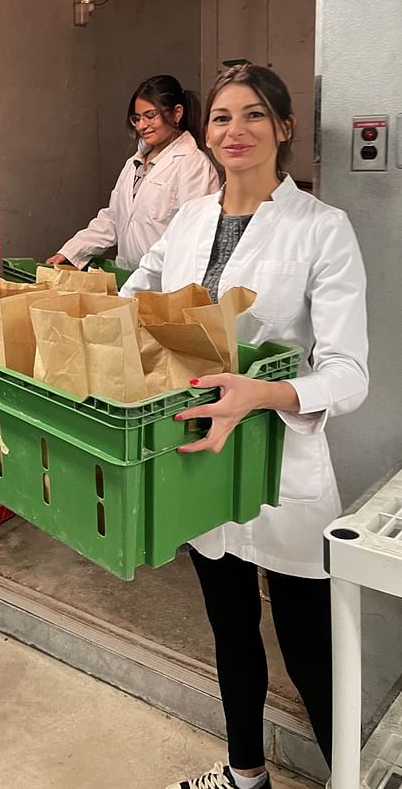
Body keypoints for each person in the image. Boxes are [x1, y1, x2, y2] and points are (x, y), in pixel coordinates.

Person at [119, 65, 368, 789]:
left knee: (308, 647)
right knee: (229, 630)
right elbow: (141, 295)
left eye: (253, 115)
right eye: (222, 117)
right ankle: (243, 773)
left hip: (278, 462)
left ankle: (349, 779)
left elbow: (349, 373)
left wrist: (261, 392)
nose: (234, 130)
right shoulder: (191, 217)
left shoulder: (323, 228)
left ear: (283, 128)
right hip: (200, 453)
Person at [47, 74, 219, 270]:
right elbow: (113, 218)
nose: (141, 125)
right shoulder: (134, 164)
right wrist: (71, 252)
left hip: (165, 284)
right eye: (137, 118)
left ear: (177, 113)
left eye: (150, 116)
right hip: (129, 278)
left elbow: (194, 237)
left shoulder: (193, 165)